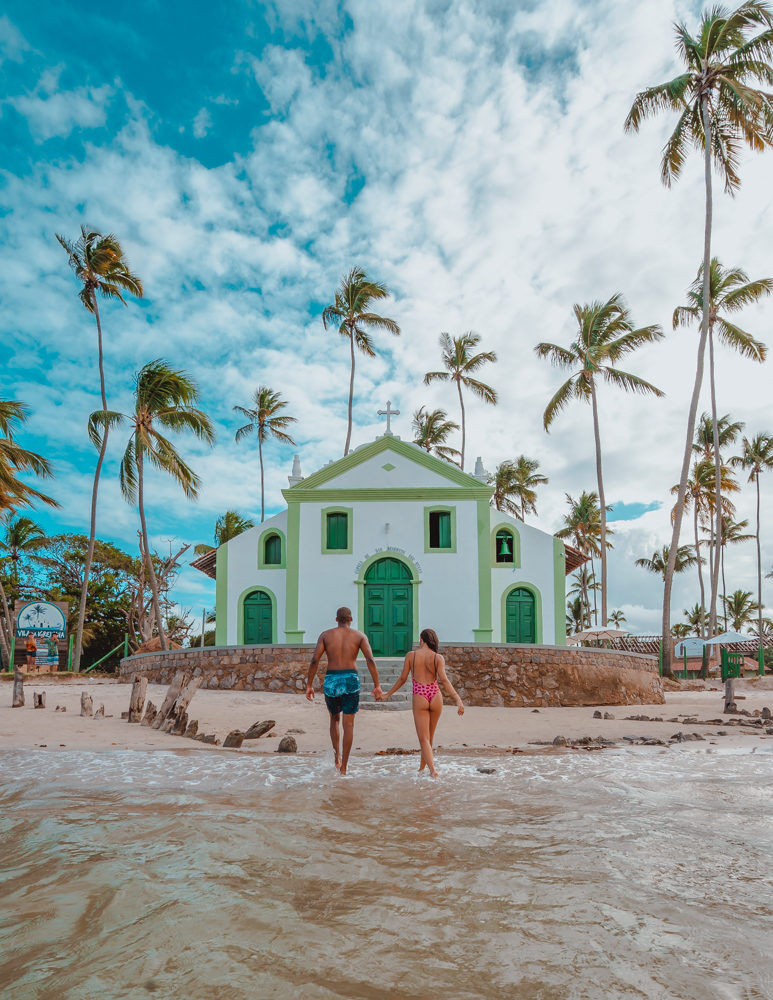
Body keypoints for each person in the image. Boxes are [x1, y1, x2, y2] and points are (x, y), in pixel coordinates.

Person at [306, 607, 383, 775]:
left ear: (336, 619)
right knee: (349, 724)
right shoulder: (359, 636)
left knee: (334, 719)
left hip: (332, 680)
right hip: (350, 679)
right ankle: (344, 768)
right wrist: (377, 685)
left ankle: (336, 758)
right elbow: (370, 659)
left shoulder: (325, 635)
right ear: (351, 619)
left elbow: (314, 660)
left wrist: (309, 685)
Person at [381, 628, 464, 777]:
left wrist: (387, 694)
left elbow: (402, 679)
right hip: (435, 695)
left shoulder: (411, 656)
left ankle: (432, 770)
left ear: (421, 639)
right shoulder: (438, 657)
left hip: (420, 694)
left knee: (423, 738)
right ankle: (422, 769)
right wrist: (457, 699)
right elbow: (444, 680)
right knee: (429, 738)